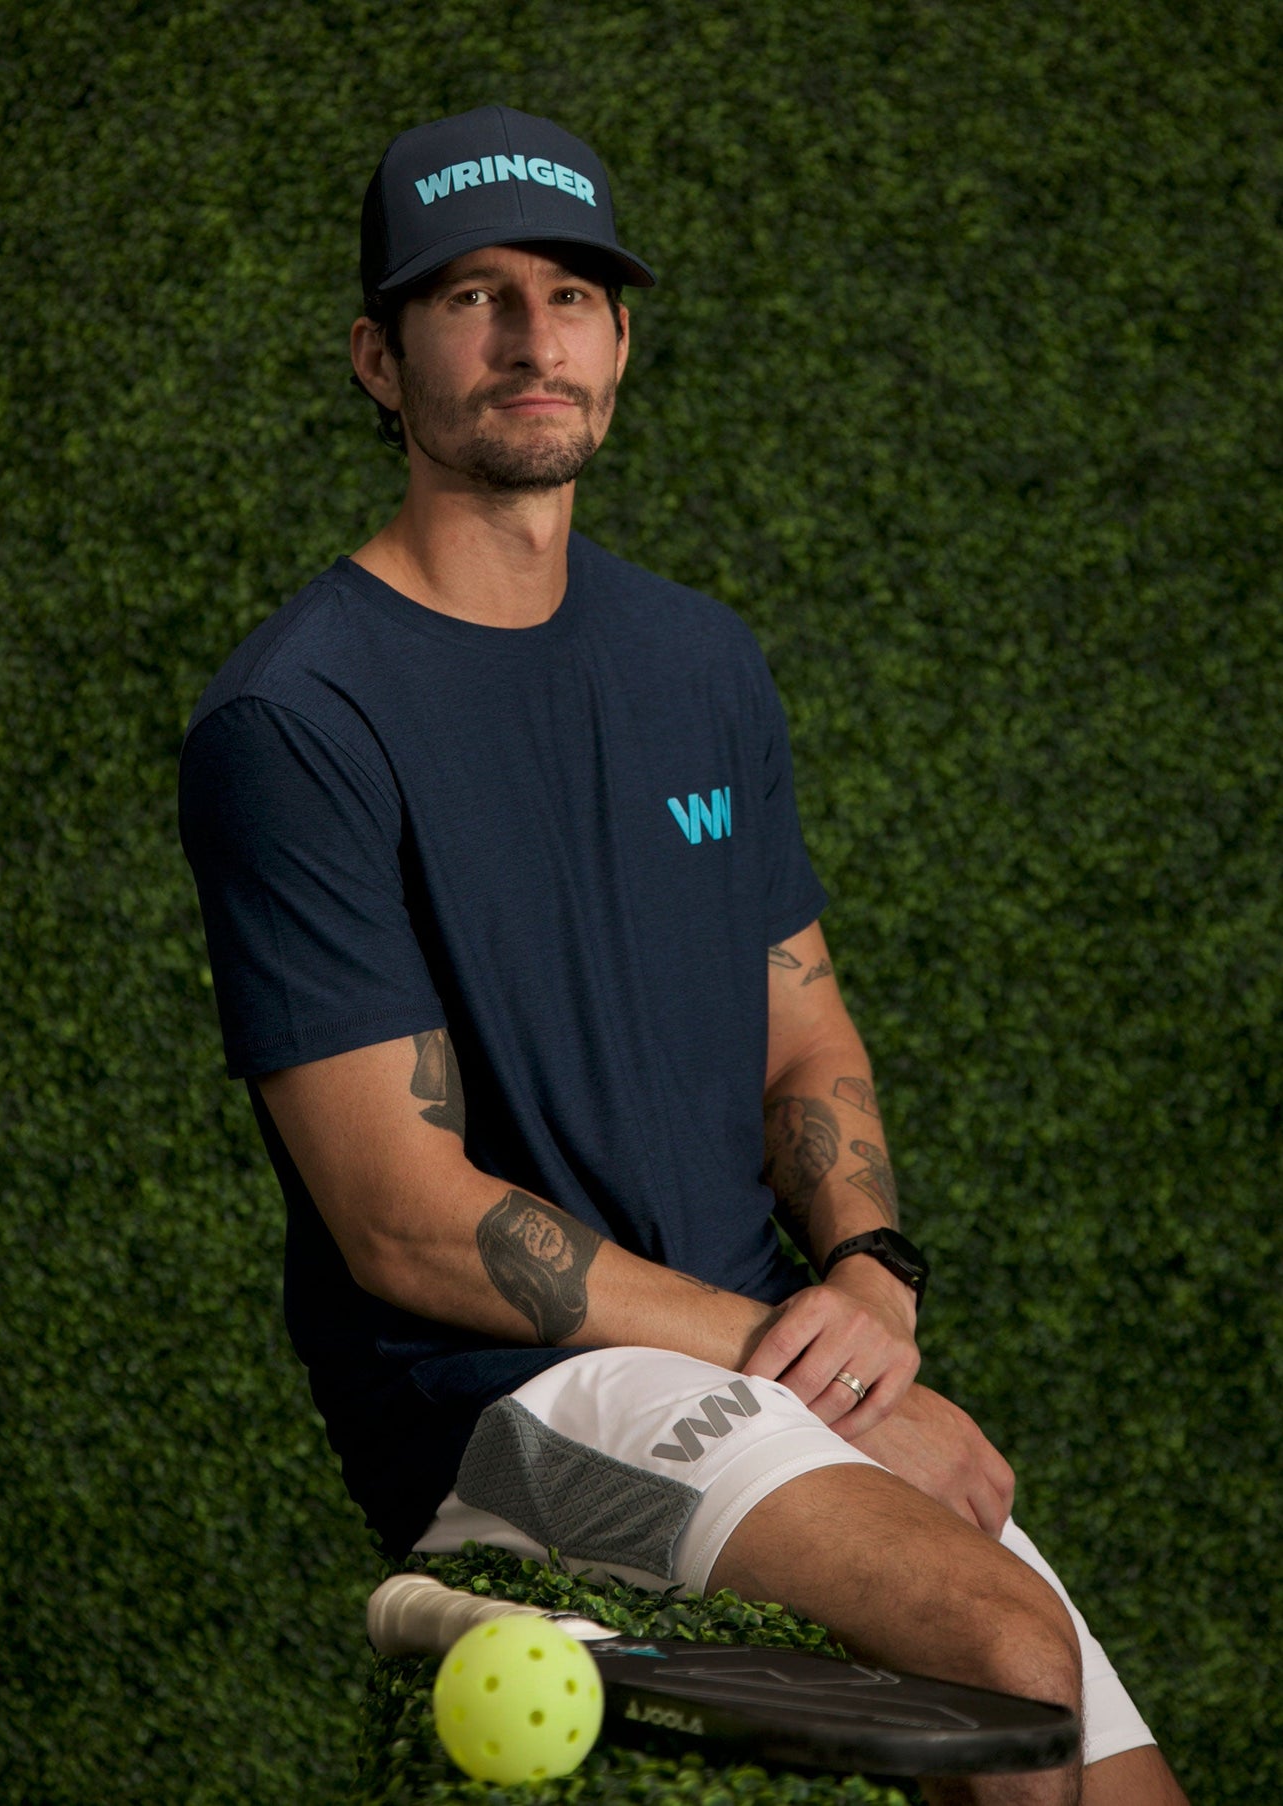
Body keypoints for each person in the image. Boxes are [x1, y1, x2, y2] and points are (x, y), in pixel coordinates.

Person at [178, 105, 1187, 1805]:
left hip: (752, 1343)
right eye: (469, 296)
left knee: (1120, 1782)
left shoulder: (696, 660)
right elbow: (401, 1216)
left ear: (620, 340)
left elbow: (807, 1038)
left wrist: (869, 1275)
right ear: (378, 354)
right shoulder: (297, 717)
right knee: (1006, 1662)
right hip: (506, 1402)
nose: (528, 336)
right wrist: (781, 1350)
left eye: (569, 294)